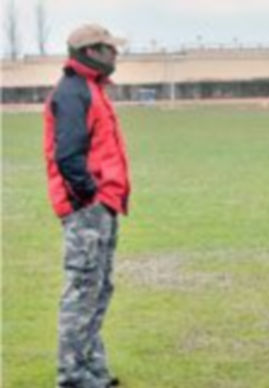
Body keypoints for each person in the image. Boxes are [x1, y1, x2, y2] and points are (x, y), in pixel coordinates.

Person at [44, 24, 130, 387]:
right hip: (88, 209)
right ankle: (73, 374)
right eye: (110, 49)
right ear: (90, 51)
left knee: (98, 289)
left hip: (104, 205)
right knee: (81, 290)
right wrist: (88, 197)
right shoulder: (73, 93)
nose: (116, 55)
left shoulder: (92, 90)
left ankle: (92, 365)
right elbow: (68, 155)